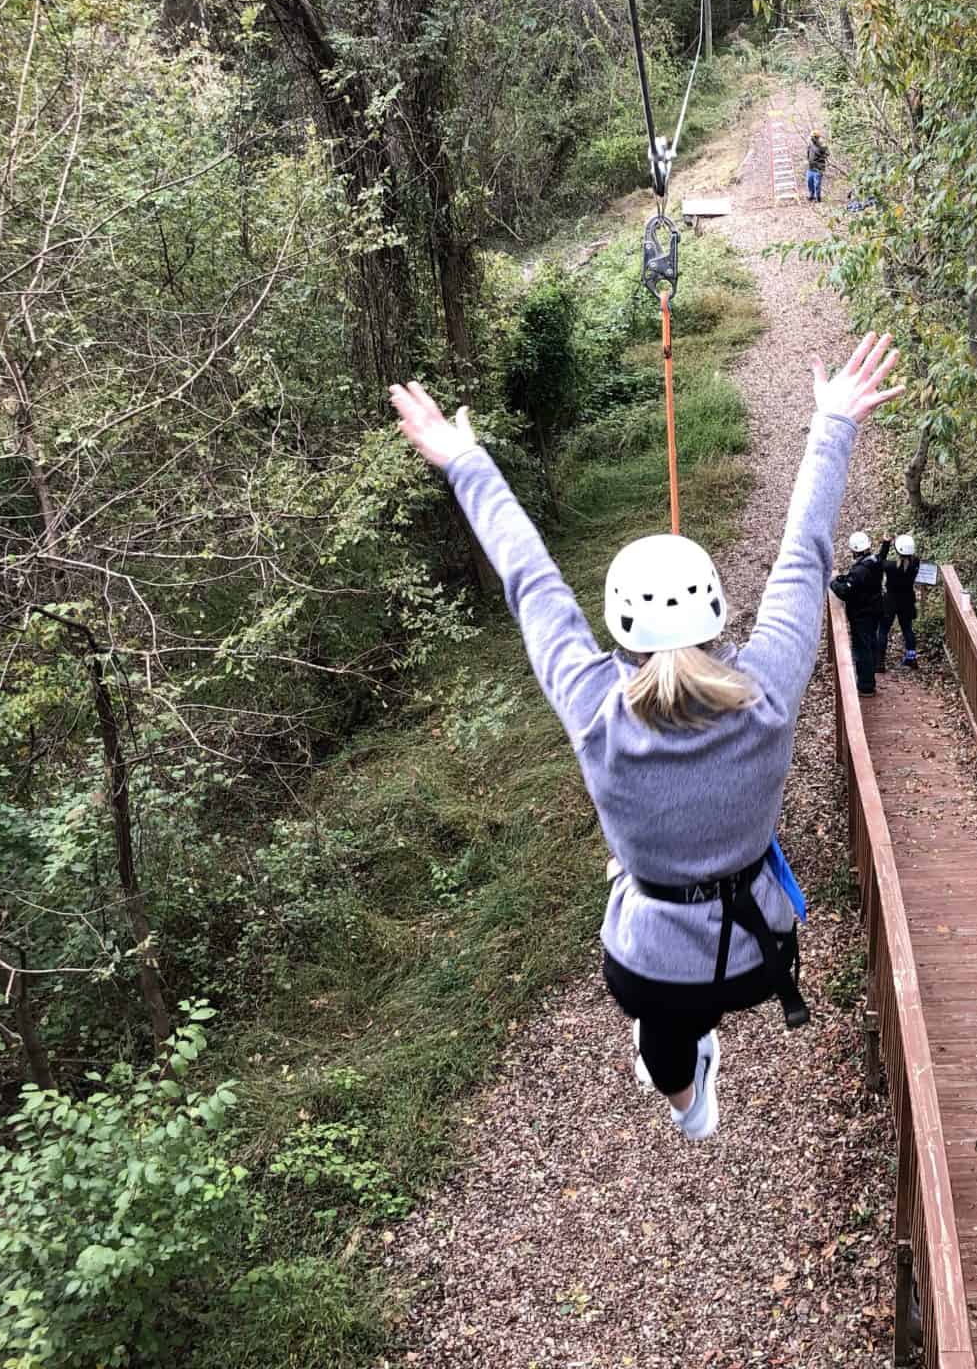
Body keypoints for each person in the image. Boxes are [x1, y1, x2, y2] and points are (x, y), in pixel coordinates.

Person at [389, 332, 902, 1142]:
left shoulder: (598, 709)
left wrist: (465, 463)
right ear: (718, 610)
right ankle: (683, 1052)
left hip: (649, 964)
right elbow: (803, 560)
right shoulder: (764, 691)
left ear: (618, 627)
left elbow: (533, 584)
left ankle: (688, 1098)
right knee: (675, 995)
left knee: (661, 1033)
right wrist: (832, 421)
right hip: (757, 959)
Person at [830, 529, 883, 697]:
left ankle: (866, 685)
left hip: (862, 614)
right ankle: (870, 677)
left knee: (863, 649)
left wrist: (834, 584)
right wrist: (845, 578)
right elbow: (859, 582)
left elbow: (846, 591)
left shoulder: (860, 570)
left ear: (855, 550)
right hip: (874, 609)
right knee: (870, 643)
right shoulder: (875, 561)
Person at [874, 533, 920, 671]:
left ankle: (880, 662)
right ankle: (911, 658)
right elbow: (912, 556)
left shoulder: (890, 566)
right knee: (907, 629)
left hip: (890, 601)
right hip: (907, 601)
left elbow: (879, 560)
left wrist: (886, 543)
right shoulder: (915, 564)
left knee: (883, 630)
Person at [805, 131, 827, 202]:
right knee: (809, 182)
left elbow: (826, 154)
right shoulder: (810, 145)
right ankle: (811, 196)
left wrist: (819, 158)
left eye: (813, 137)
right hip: (811, 168)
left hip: (818, 168)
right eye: (811, 137)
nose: (812, 139)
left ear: (817, 138)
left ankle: (818, 198)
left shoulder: (822, 146)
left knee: (817, 184)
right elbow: (808, 155)